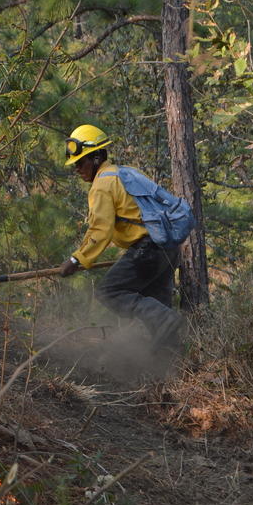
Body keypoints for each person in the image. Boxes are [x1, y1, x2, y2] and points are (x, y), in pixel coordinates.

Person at [58, 124, 183, 348]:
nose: (77, 169)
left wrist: (77, 259)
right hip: (168, 249)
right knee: (161, 317)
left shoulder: (102, 185)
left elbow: (100, 230)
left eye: (80, 162)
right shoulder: (127, 173)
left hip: (148, 250)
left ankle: (165, 325)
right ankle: (170, 367)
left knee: (110, 291)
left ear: (96, 157)